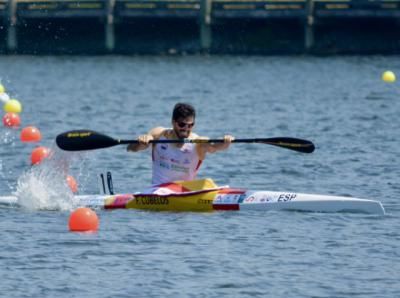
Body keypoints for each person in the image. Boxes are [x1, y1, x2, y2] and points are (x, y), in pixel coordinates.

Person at [127, 103, 234, 185]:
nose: (186, 129)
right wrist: (142, 143)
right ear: (173, 122)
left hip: (185, 192)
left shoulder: (198, 142)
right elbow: (130, 148)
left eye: (190, 125)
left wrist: (225, 143)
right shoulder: (158, 134)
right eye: (182, 124)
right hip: (158, 190)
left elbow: (214, 147)